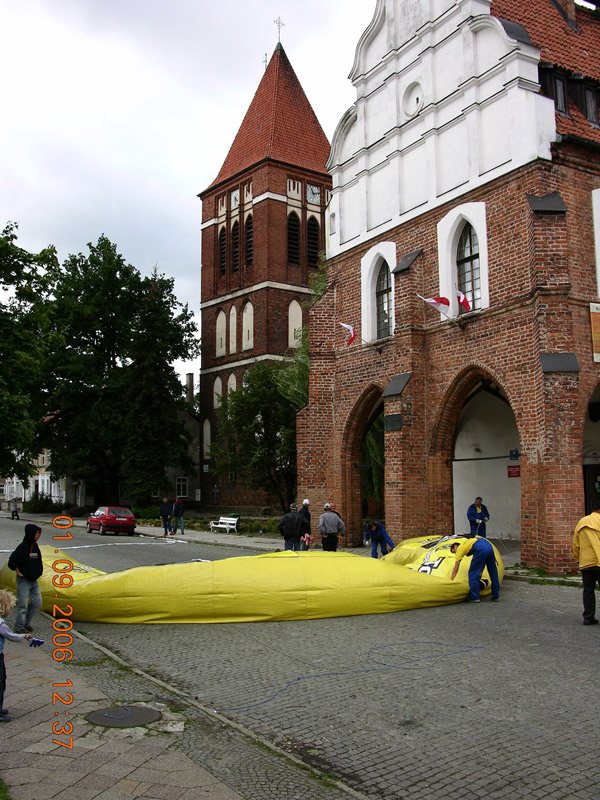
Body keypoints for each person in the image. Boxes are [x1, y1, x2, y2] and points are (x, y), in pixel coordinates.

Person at [0, 590, 34, 722]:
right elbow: (11, 636)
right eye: (9, 608)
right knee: (1, 682)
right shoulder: (1, 624)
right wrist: (24, 636)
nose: (10, 611)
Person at [7, 524, 43, 633]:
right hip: (24, 581)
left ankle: (26, 623)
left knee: (37, 602)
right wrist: (18, 572)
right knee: (22, 606)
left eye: (38, 533)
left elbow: (38, 561)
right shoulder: (23, 547)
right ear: (30, 533)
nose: (37, 535)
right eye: (36, 533)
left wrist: (38, 572)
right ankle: (19, 627)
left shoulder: (36, 547)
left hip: (34, 581)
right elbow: (12, 562)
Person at [572, 504, 600, 625]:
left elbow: (575, 544)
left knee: (588, 590)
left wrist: (578, 560)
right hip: (599, 561)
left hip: (586, 562)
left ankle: (588, 616)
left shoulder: (581, 522)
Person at [450, 536, 500, 602]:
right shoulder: (467, 542)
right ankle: (496, 596)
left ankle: (475, 597)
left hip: (480, 549)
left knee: (472, 573)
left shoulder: (459, 549)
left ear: (455, 547)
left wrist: (450, 581)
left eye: (454, 552)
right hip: (488, 545)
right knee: (493, 572)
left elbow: (456, 568)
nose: (455, 554)